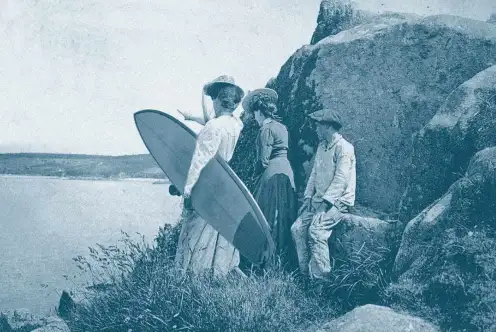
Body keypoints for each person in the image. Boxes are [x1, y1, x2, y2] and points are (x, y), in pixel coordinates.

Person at [170, 75, 245, 277]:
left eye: (214, 98)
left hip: (208, 184)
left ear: (218, 101)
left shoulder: (213, 127)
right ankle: (217, 274)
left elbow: (200, 161)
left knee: (195, 231)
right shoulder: (237, 125)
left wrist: (187, 191)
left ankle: (190, 276)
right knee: (218, 232)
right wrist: (192, 117)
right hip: (227, 185)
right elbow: (215, 123)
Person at [290, 109, 356, 280]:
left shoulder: (345, 148)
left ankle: (322, 283)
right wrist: (307, 198)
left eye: (319, 125)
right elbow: (314, 174)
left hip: (338, 203)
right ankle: (305, 277)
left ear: (328, 126)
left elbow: (341, 180)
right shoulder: (322, 147)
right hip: (318, 202)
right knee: (297, 229)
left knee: (316, 231)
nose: (316, 129)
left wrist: (324, 205)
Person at [241, 88, 298, 271]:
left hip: (271, 173)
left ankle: (267, 262)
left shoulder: (265, 129)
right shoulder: (282, 127)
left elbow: (263, 160)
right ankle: (283, 261)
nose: (254, 118)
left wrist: (253, 176)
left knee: (265, 215)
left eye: (254, 114)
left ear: (259, 111)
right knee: (283, 215)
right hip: (286, 171)